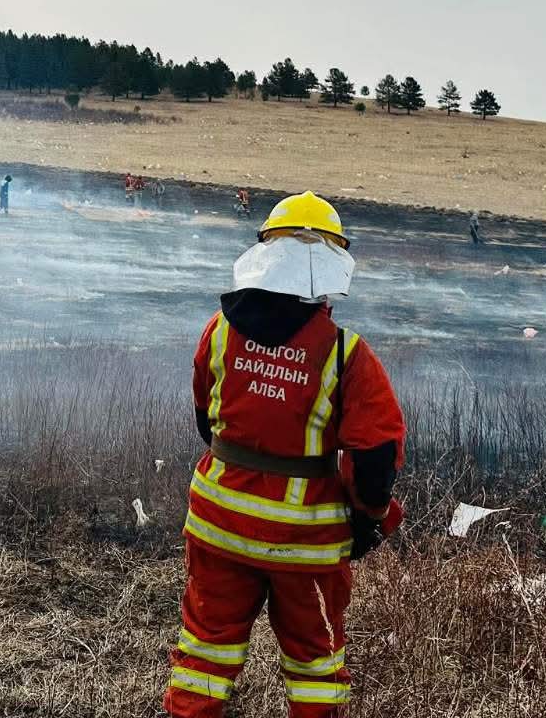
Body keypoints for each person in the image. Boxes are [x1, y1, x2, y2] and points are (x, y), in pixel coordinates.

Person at [164, 192, 405, 717]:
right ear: (331, 266)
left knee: (204, 652)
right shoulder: (346, 353)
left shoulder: (219, 330)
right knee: (315, 666)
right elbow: (375, 457)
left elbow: (208, 421)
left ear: (267, 254)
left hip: (217, 525)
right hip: (304, 544)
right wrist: (368, 517)